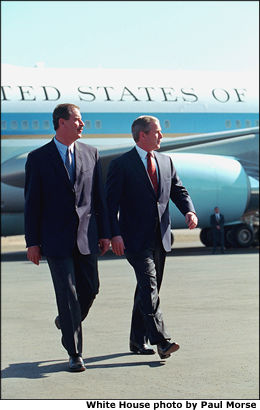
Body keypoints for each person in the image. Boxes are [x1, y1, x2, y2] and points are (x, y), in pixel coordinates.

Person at [24, 103, 110, 372]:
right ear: (61, 122)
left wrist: (106, 233)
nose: (82, 124)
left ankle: (66, 320)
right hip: (55, 240)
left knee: (91, 288)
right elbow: (32, 204)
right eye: (77, 120)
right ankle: (75, 353)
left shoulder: (91, 153)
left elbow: (99, 199)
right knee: (68, 294)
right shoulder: (38, 158)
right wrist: (32, 242)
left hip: (87, 237)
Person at [106, 115, 198, 360]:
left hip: (161, 237)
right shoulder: (121, 164)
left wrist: (189, 210)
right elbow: (110, 204)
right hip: (134, 239)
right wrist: (114, 234)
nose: (161, 136)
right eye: (157, 132)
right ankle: (161, 341)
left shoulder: (166, 161)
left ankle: (137, 341)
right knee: (149, 288)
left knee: (146, 291)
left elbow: (178, 190)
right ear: (142, 135)